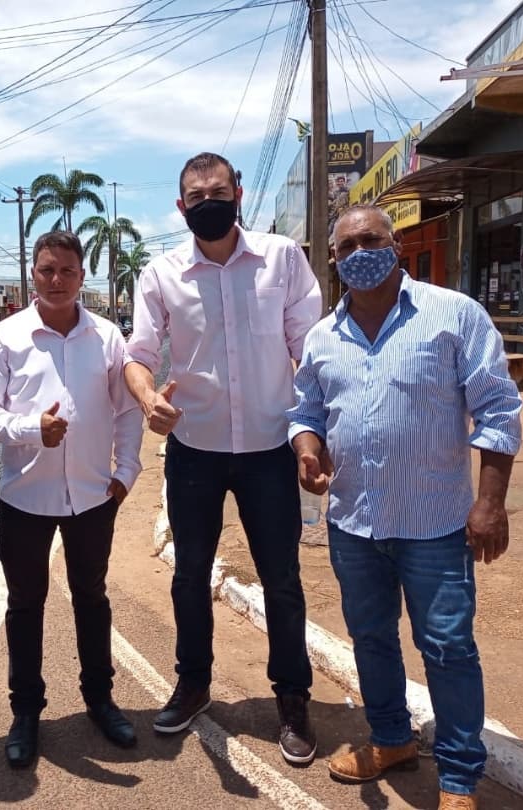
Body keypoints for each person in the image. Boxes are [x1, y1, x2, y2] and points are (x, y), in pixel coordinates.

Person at [287, 204, 522, 810]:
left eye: (373, 239)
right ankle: (392, 738)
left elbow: (498, 410)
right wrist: (307, 449)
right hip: (354, 522)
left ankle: (460, 777)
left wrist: (490, 503)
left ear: (395, 246)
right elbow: (306, 411)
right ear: (333, 261)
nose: (361, 251)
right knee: (370, 637)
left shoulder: (453, 316)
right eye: (348, 245)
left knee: (446, 646)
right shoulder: (320, 338)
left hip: (436, 523)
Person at [124, 151, 321, 764]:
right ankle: (194, 683)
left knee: (283, 581)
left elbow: (309, 352)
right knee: (189, 578)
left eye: (218, 190)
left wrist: (314, 431)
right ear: (181, 207)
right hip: (194, 453)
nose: (208, 201)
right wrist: (148, 396)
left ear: (238, 193)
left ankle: (292, 696)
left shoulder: (283, 259)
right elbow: (138, 351)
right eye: (196, 195)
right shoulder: (161, 275)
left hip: (268, 450)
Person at [0, 230, 143, 768]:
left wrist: (127, 471)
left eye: (67, 270)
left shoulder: (109, 338)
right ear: (32, 275)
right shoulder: (4, 338)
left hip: (93, 496)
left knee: (92, 597)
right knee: (25, 605)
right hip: (26, 497)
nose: (57, 280)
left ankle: (100, 699)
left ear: (81, 276)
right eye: (47, 270)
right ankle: (26, 713)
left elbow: (127, 409)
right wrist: (28, 429)